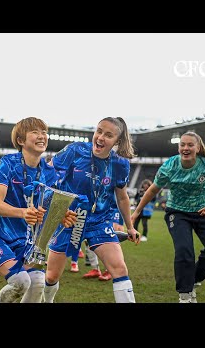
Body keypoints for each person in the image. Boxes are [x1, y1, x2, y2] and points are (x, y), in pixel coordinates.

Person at [0, 117, 77, 303]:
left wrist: (61, 216)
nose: (42, 136)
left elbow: (44, 209)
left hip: (24, 239)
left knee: (38, 281)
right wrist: (23, 212)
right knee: (21, 282)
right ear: (21, 141)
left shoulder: (49, 172)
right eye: (35, 132)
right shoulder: (7, 164)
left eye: (44, 132)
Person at [131, 131, 205, 303]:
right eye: (182, 144)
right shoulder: (169, 166)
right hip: (177, 212)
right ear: (178, 147)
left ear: (197, 147)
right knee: (184, 251)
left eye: (190, 145)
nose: (185, 148)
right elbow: (152, 190)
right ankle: (185, 295)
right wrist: (137, 211)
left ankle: (193, 280)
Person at [44, 117, 140, 303]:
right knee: (51, 276)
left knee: (119, 269)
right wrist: (54, 204)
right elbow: (47, 172)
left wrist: (130, 227)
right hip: (69, 219)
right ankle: (47, 300)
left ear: (117, 141)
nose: (101, 137)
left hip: (98, 221)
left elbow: (122, 197)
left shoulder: (120, 164)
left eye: (108, 135)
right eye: (99, 131)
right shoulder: (75, 150)